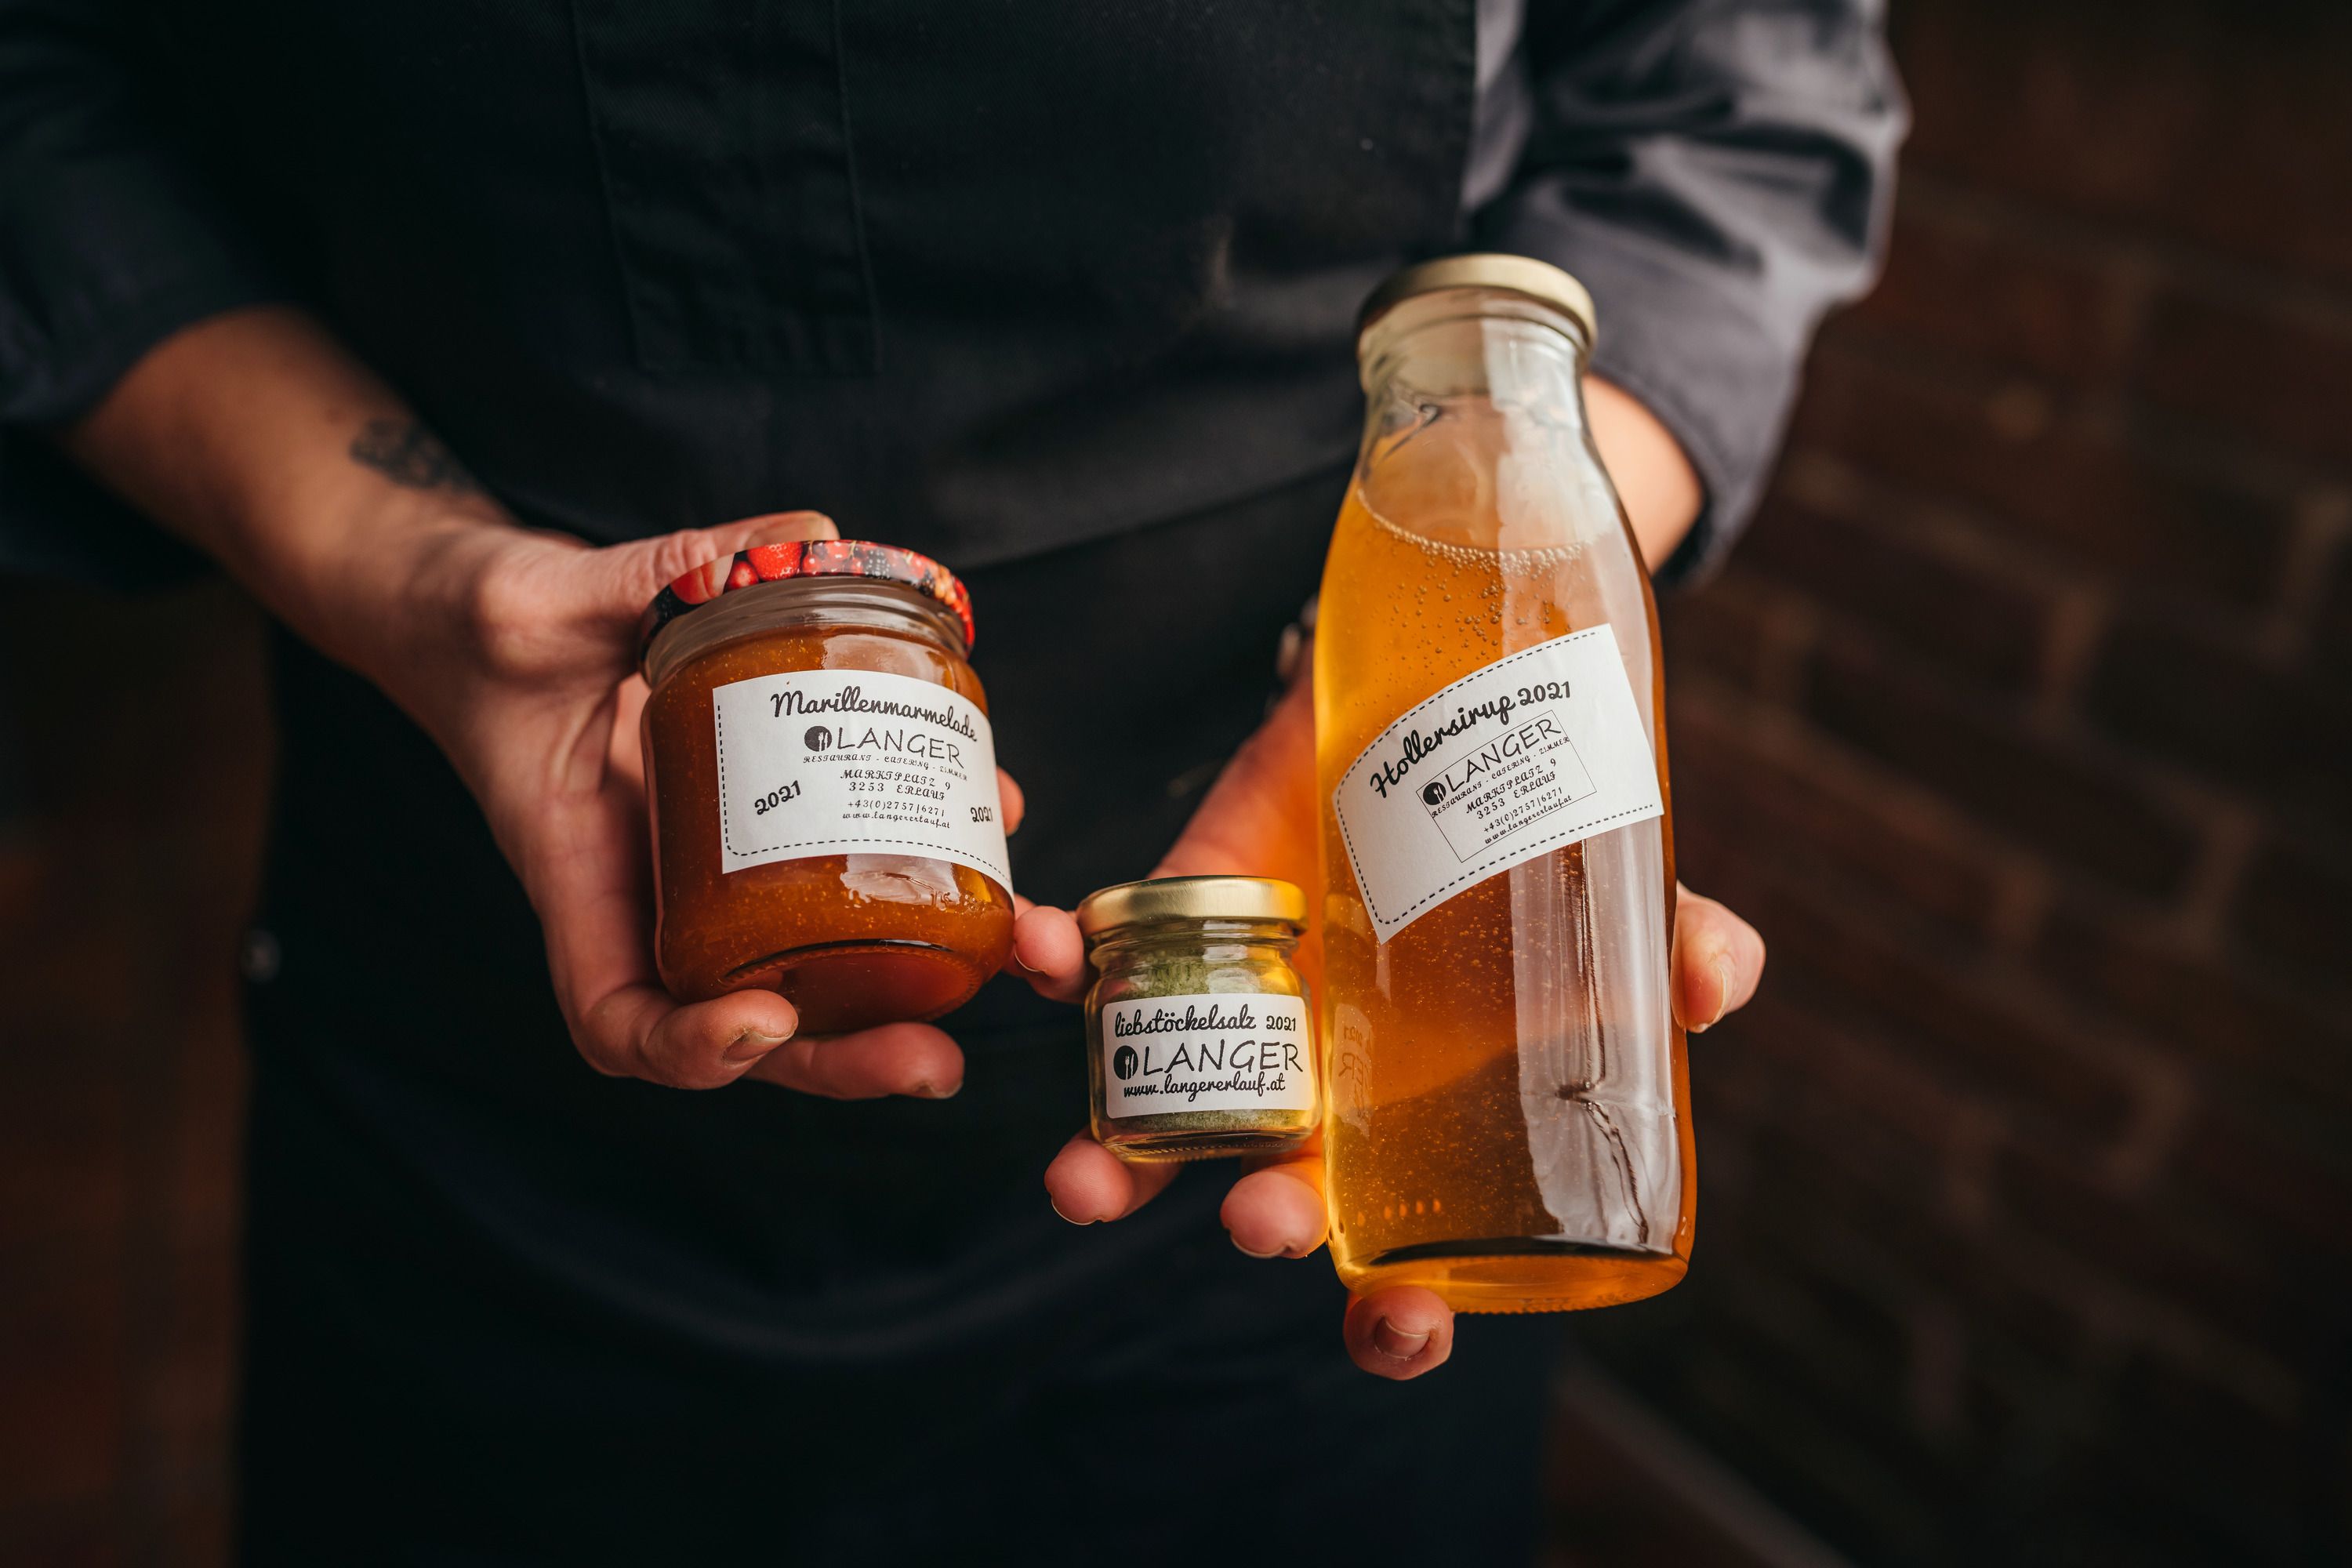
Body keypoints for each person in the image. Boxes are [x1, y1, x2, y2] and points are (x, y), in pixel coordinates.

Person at [0, 2, 1899, 1562]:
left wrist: (1456, 661)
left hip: (1305, 1017)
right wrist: (405, 574)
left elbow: (1731, 98)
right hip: (484, 1024)